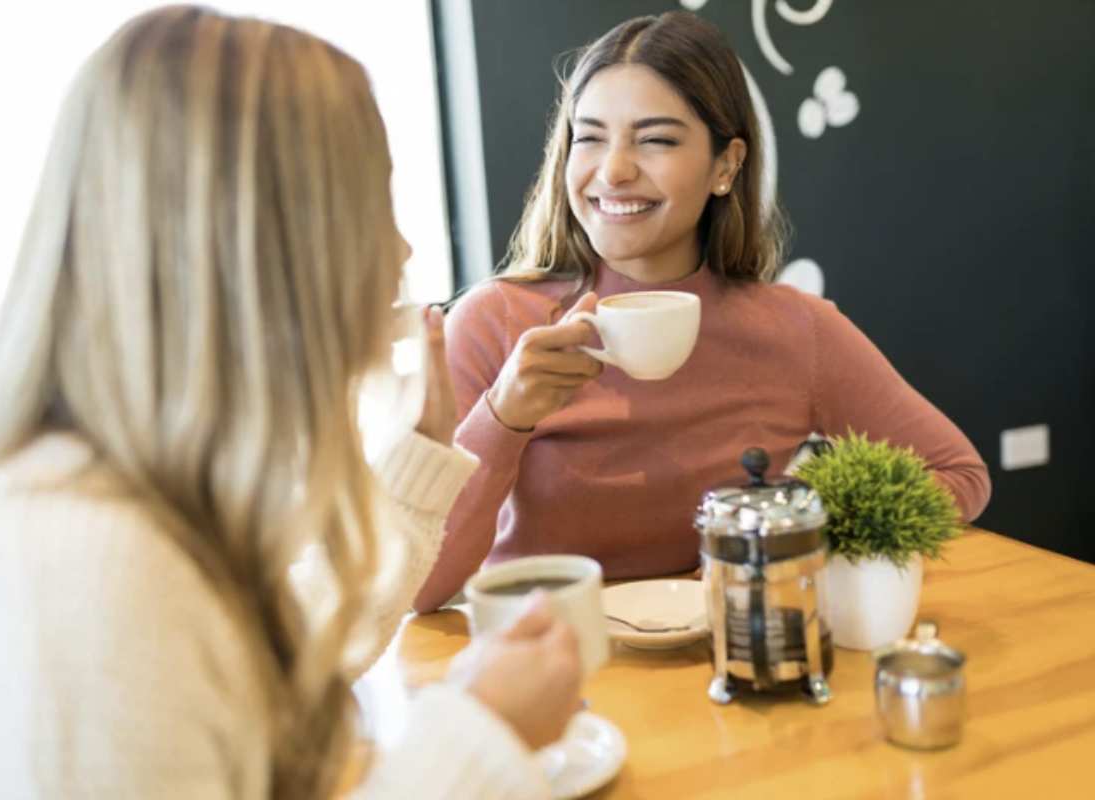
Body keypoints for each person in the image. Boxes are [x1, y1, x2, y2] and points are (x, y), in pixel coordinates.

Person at [0, 7, 579, 798]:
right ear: (269, 245)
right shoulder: (81, 572)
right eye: (373, 206)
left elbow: (255, 656)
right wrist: (477, 741)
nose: (399, 251)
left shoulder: (112, 502)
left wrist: (421, 464)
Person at [414, 11, 991, 611]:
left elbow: (957, 475)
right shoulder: (495, 323)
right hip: (544, 672)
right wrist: (505, 417)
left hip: (723, 666)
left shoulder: (795, 330)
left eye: (656, 139)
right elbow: (422, 587)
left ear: (726, 165)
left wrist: (789, 535)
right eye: (588, 137)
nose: (613, 170)